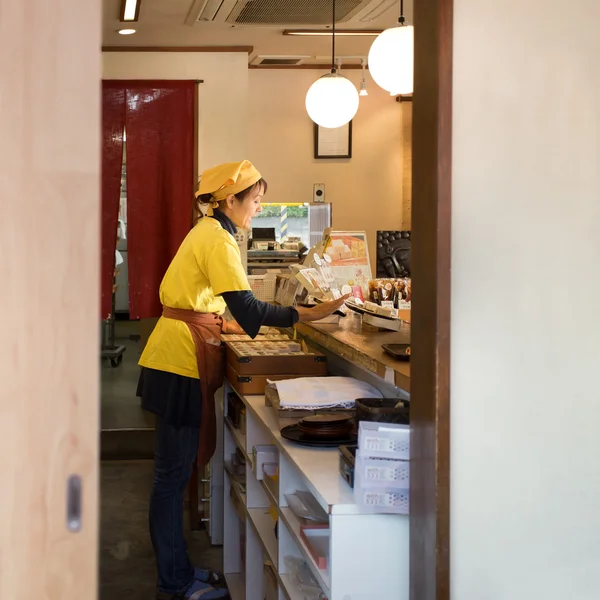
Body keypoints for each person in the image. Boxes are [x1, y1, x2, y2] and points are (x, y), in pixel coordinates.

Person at [137, 160, 348, 600]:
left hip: (174, 355)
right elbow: (250, 311)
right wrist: (308, 313)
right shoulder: (217, 239)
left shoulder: (211, 233)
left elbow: (216, 304)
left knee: (172, 476)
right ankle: (173, 582)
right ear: (228, 200)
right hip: (178, 363)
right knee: (171, 478)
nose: (257, 210)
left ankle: (179, 571)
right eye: (254, 202)